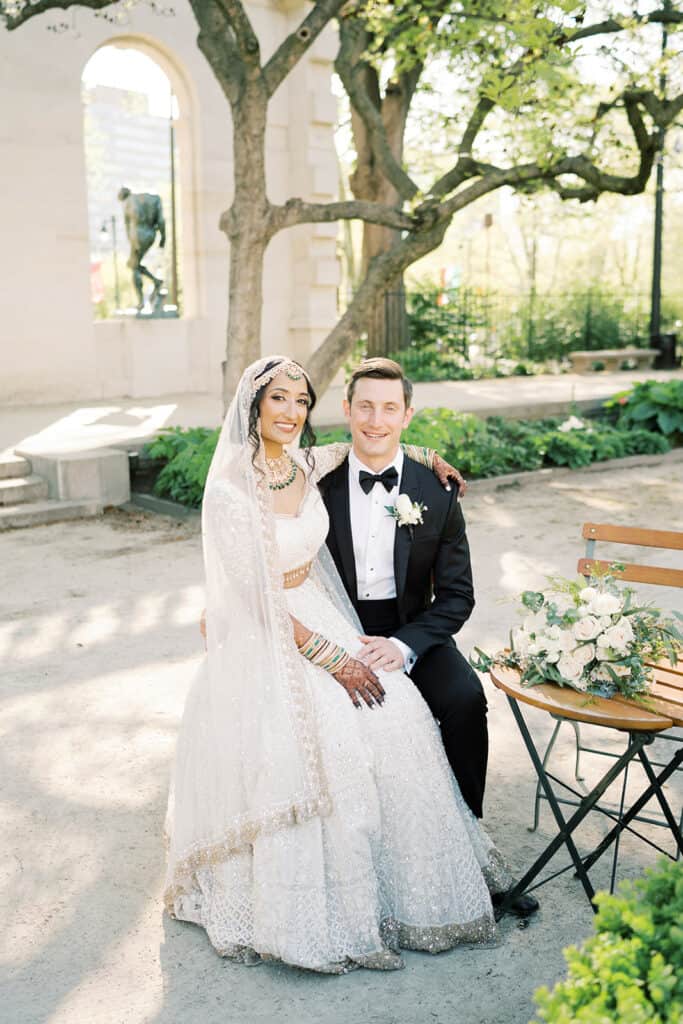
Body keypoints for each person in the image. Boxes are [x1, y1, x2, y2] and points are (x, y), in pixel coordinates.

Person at [165, 355, 516, 975]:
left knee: (433, 710)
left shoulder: (324, 464)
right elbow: (253, 591)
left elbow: (377, 445)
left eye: (301, 401)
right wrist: (328, 655)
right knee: (337, 743)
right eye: (279, 399)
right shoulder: (250, 487)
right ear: (255, 405)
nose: (292, 411)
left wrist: (428, 457)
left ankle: (456, 858)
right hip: (287, 627)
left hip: (368, 623)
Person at [117, 187, 165, 311]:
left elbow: (127, 225)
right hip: (151, 234)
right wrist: (163, 237)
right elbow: (161, 221)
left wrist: (132, 241)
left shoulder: (128, 202)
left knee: (134, 266)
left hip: (137, 235)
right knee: (135, 265)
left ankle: (141, 302)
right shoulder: (153, 199)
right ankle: (156, 281)